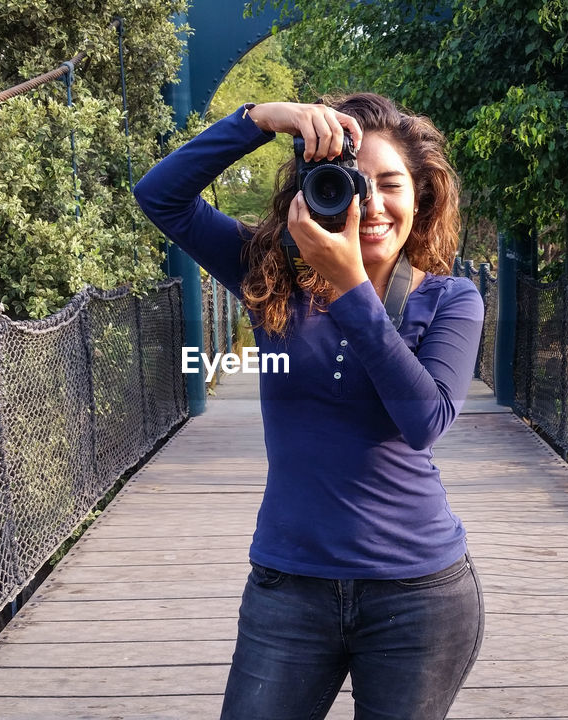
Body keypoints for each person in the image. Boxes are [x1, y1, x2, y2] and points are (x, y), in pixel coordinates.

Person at [134, 93, 484, 720]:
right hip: (288, 586)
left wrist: (351, 285)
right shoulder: (270, 277)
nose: (371, 204)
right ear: (317, 192)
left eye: (390, 184)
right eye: (353, 184)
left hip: (418, 594)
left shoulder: (453, 299)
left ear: (422, 197)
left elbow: (425, 420)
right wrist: (262, 119)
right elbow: (160, 196)